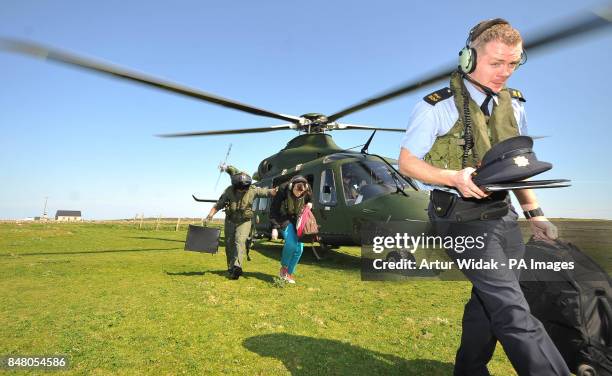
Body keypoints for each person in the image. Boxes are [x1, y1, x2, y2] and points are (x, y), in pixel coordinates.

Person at [398, 19, 570, 376]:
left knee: (486, 303)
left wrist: (534, 214)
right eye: (496, 63)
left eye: (513, 63)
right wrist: (452, 177)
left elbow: (515, 166)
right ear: (467, 58)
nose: (504, 72)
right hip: (460, 218)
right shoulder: (436, 107)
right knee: (512, 309)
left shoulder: (515, 106)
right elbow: (407, 163)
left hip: (501, 215)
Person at [206, 166, 277, 280]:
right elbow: (218, 205)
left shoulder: (252, 190)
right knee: (229, 244)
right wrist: (209, 216)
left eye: (245, 188)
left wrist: (277, 190)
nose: (243, 190)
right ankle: (230, 266)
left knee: (239, 242)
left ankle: (237, 267)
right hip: (230, 220)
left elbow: (267, 192)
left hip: (244, 221)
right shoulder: (229, 191)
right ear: (235, 186)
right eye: (240, 189)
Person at [269, 175, 312, 284]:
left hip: (297, 221)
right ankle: (284, 268)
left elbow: (311, 199)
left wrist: (310, 203)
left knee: (299, 249)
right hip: (283, 219)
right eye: (296, 191)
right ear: (292, 186)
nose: (298, 194)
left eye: (301, 193)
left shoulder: (307, 190)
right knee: (291, 244)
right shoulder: (283, 190)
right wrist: (274, 227)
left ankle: (289, 273)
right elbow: (273, 209)